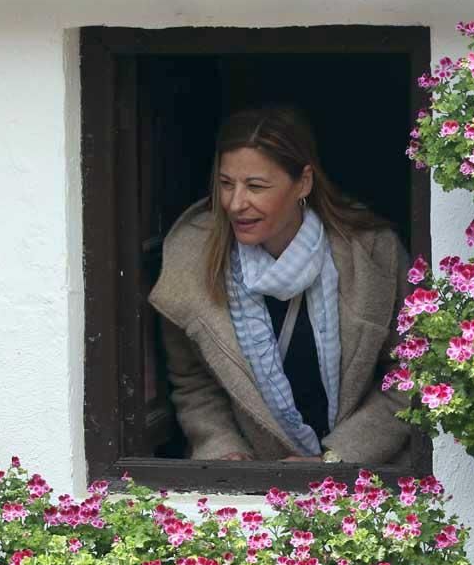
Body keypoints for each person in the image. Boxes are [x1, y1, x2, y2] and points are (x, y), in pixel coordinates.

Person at [148, 107, 413, 464]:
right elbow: (193, 384)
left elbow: (412, 373)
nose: (235, 203)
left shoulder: (372, 254)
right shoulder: (190, 259)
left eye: (255, 186)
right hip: (249, 491)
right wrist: (223, 451)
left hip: (362, 481)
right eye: (226, 184)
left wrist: (338, 458)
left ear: (303, 182)